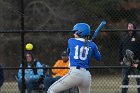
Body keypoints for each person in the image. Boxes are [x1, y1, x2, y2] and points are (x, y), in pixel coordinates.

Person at [47, 23, 101, 93]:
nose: (74, 34)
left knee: (51, 90)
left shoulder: (71, 41)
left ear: (80, 32)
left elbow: (68, 51)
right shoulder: (92, 45)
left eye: (75, 32)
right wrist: (91, 48)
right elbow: (98, 57)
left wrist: (87, 45)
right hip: (86, 76)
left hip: (75, 73)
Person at [119, 22, 140, 93]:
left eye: (131, 26)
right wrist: (121, 60)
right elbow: (120, 49)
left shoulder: (138, 38)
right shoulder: (124, 38)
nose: (130, 28)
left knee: (138, 79)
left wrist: (138, 61)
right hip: (126, 62)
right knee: (125, 79)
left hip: (135, 62)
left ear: (134, 28)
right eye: (128, 26)